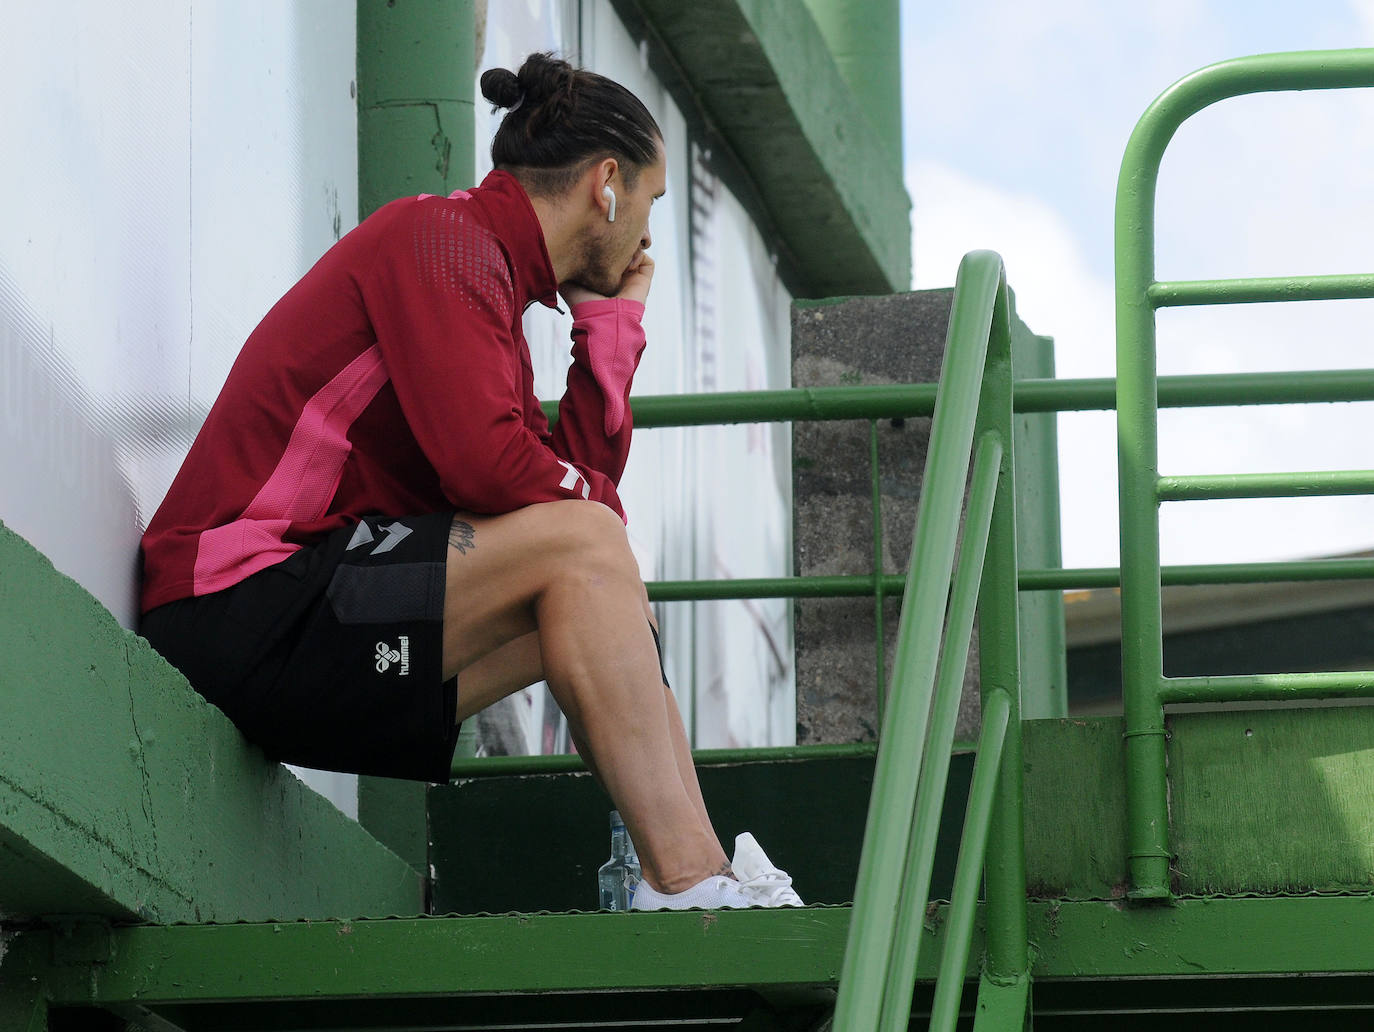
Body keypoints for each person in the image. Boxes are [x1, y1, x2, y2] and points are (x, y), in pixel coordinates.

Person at [139, 52, 801, 911]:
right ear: (607, 183)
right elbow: (489, 469)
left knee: (602, 598)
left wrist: (608, 327)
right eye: (650, 202)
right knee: (590, 547)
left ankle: (695, 873)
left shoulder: (489, 284)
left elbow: (569, 507)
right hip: (235, 605)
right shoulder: (443, 243)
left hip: (314, 649)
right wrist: (592, 512)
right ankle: (686, 881)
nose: (647, 234)